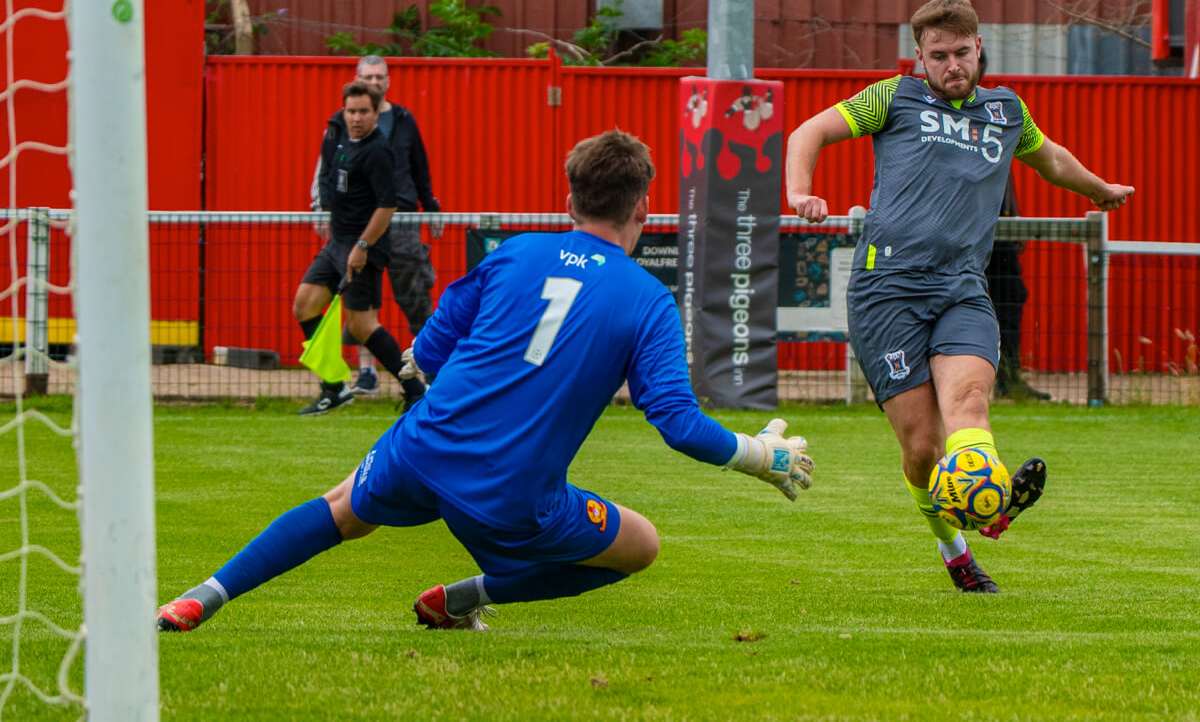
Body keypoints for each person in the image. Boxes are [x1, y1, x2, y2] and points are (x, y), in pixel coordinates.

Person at [157, 130, 815, 633]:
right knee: (640, 546)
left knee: (342, 509)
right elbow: (677, 425)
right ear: (645, 206)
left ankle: (200, 597)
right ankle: (468, 597)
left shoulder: (515, 251)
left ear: (569, 201)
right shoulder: (646, 299)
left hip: (424, 447)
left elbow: (431, 354)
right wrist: (762, 455)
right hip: (511, 494)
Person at [785, 0, 1133, 593]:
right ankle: (958, 548)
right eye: (938, 55)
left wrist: (1097, 189)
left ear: (979, 50)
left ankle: (986, 501)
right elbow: (809, 130)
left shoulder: (1006, 111)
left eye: (962, 53)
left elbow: (1050, 158)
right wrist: (801, 192)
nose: (952, 65)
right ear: (919, 56)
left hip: (960, 288)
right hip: (885, 293)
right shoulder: (891, 97)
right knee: (923, 448)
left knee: (969, 405)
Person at [310, 55, 441, 410]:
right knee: (353, 308)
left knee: (412, 297)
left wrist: (430, 207)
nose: (374, 81)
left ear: (388, 81)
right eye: (367, 76)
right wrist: (321, 208)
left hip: (397, 224)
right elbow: (325, 169)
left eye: (379, 76)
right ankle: (359, 376)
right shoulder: (340, 123)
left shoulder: (400, 120)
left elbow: (419, 166)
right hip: (350, 229)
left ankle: (428, 373)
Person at [294, 79, 413, 416]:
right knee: (304, 305)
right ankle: (334, 387)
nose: (356, 117)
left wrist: (362, 246)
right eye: (351, 111)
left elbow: (387, 206)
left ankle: (416, 390)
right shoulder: (345, 140)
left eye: (363, 111)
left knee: (362, 325)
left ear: (376, 113)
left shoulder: (378, 150)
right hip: (336, 243)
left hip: (362, 248)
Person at [977, 51, 1050, 402]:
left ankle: (1008, 379)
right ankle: (998, 380)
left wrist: (1014, 217)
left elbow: (1006, 173)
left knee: (1010, 297)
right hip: (970, 232)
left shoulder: (998, 111)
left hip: (1000, 231)